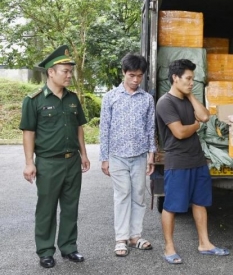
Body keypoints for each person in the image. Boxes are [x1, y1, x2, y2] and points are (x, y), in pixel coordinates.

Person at [19, 45, 90, 268]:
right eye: (65, 71)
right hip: (49, 163)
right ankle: (45, 251)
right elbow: (28, 132)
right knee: (46, 208)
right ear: (51, 72)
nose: (69, 75)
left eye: (70, 71)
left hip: (72, 161)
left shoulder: (72, 99)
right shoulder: (34, 100)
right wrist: (29, 163)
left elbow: (79, 127)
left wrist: (84, 154)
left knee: (71, 207)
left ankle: (69, 247)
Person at [155, 59, 229, 264]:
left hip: (197, 159)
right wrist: (195, 126)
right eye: (187, 79)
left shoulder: (188, 98)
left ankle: (205, 243)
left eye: (192, 79)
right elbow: (179, 132)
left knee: (200, 202)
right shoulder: (165, 102)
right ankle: (169, 247)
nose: (191, 83)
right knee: (171, 206)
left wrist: (190, 95)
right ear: (175, 78)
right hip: (177, 162)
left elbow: (205, 117)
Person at [99, 53, 157, 257]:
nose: (135, 80)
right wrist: (104, 158)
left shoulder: (147, 99)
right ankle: (121, 238)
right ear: (124, 73)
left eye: (139, 76)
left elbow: (151, 128)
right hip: (117, 156)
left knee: (139, 196)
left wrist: (151, 154)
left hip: (140, 156)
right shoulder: (111, 97)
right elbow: (104, 128)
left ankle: (135, 236)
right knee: (122, 195)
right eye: (131, 75)